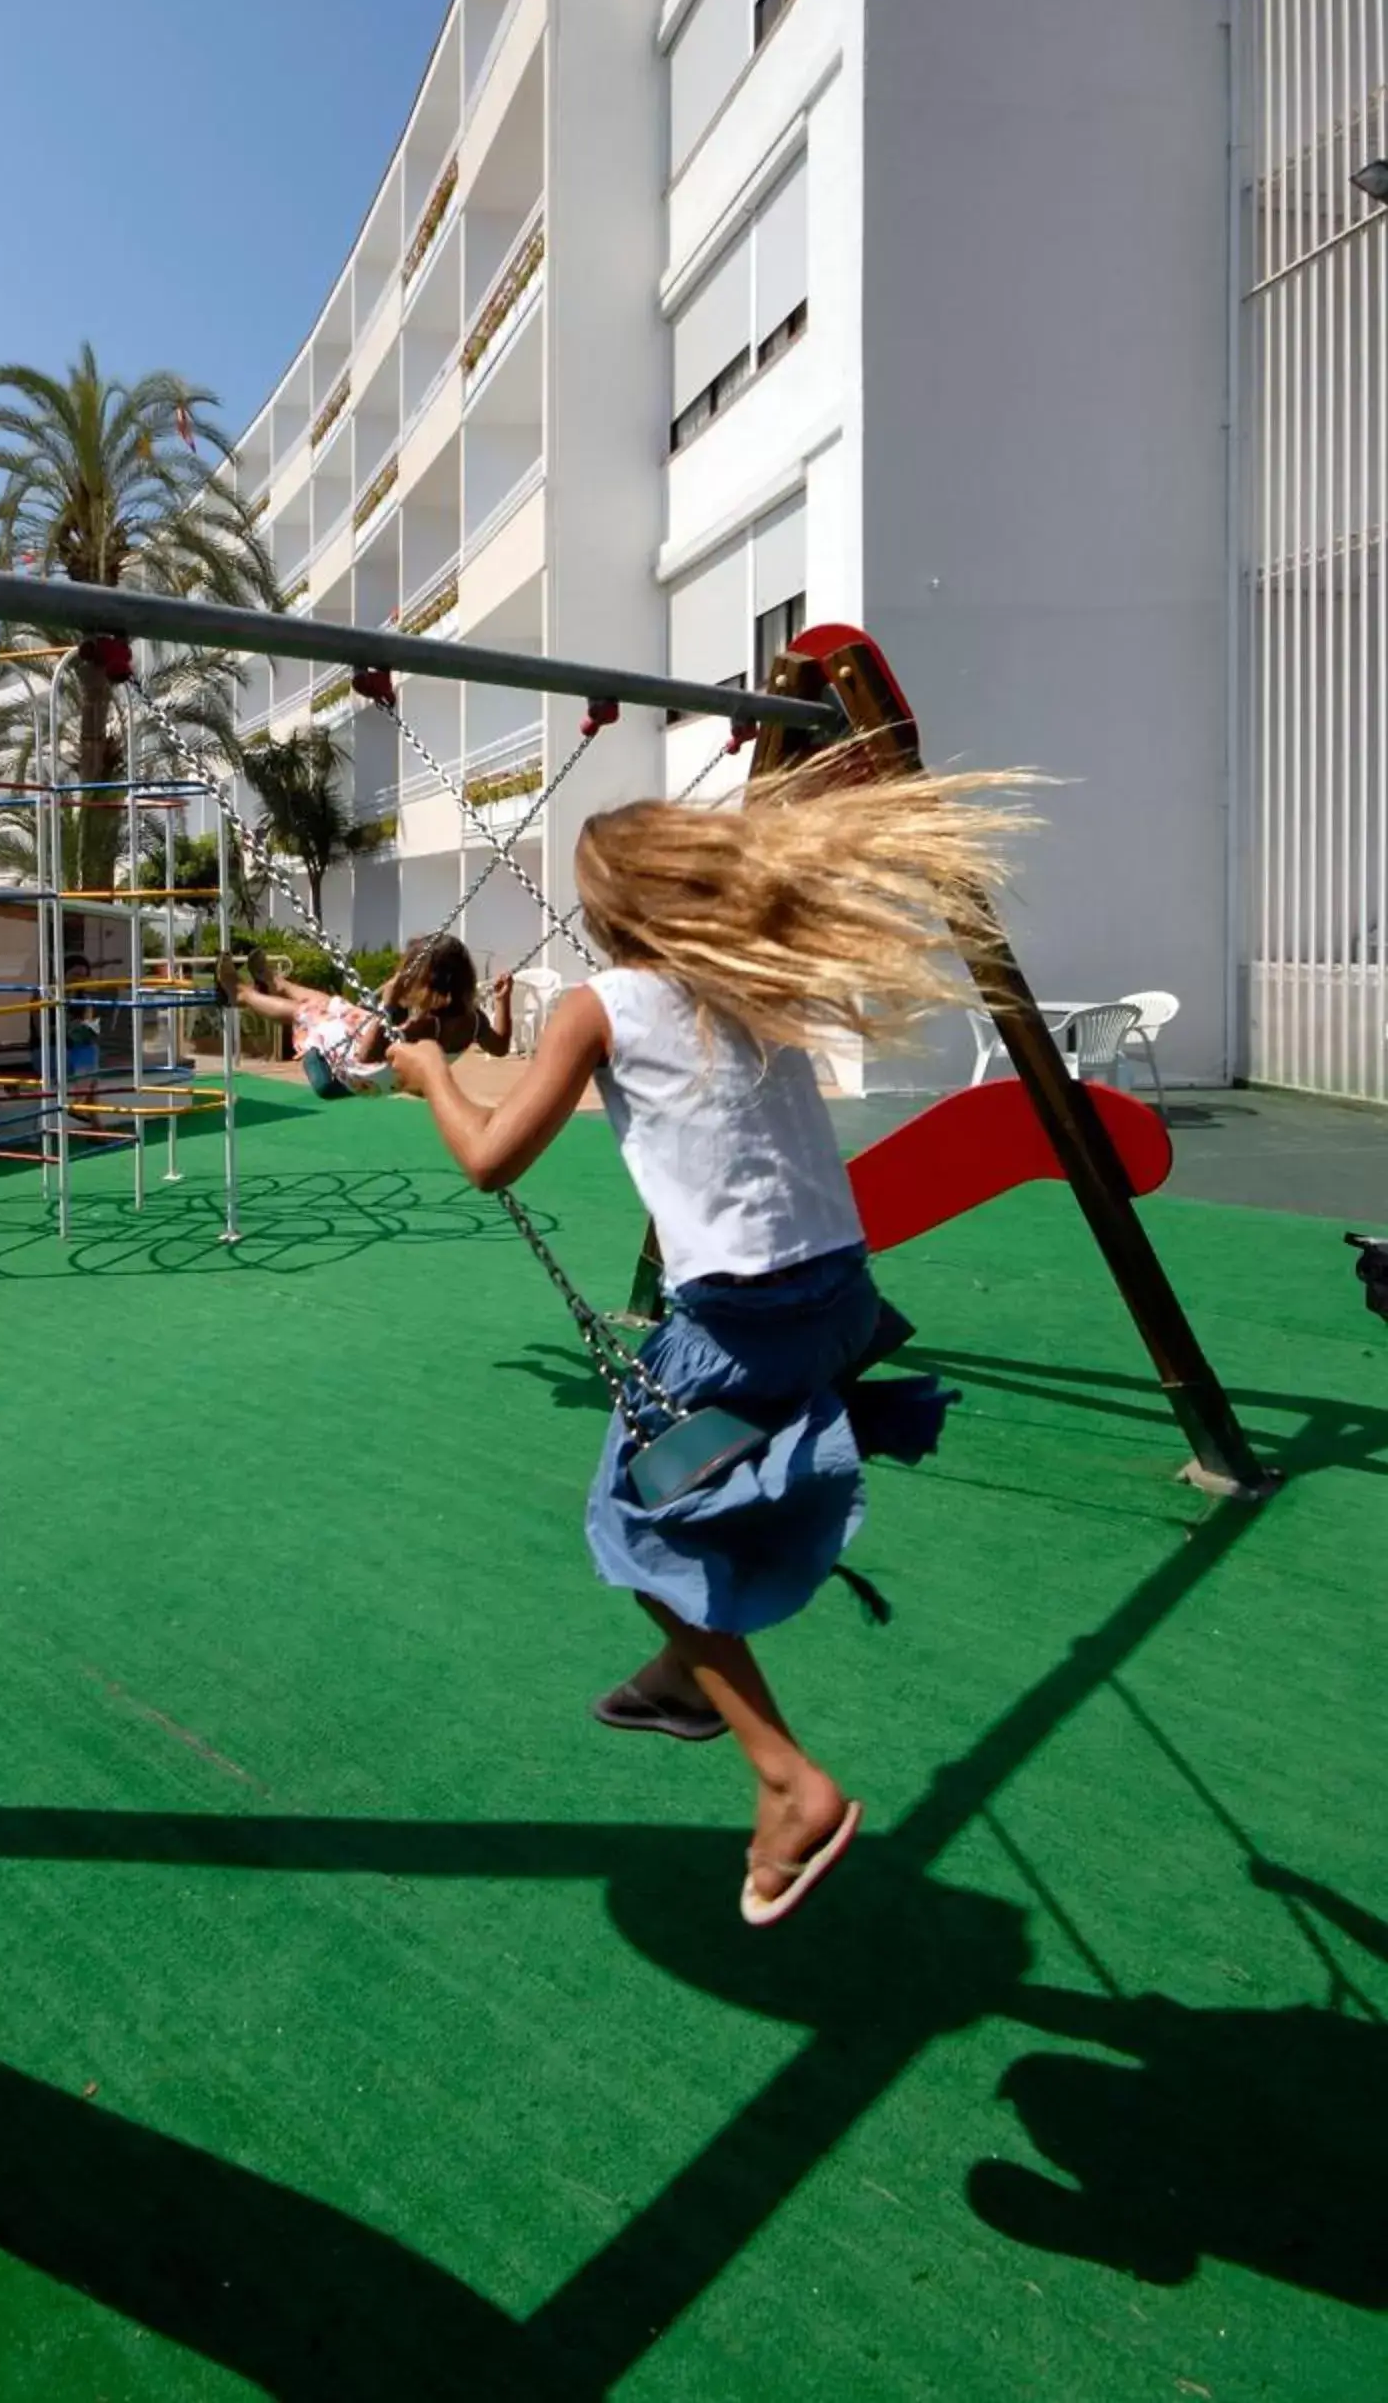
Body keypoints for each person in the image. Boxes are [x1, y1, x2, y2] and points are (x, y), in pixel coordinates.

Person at [390, 749, 1029, 1927]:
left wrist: (428, 1069)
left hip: (746, 1322)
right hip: (839, 1301)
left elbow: (488, 1159)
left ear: (609, 910)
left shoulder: (599, 1005)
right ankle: (684, 1678)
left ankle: (787, 1782)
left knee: (633, 1520)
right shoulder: (751, 983)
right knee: (696, 1489)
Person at [219, 936, 511, 1098]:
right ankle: (276, 984)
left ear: (427, 982)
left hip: (349, 1075)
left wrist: (389, 1004)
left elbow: (365, 1055)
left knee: (306, 1012)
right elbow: (500, 1047)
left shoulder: (426, 1026)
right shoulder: (474, 1020)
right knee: (335, 1004)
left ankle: (240, 993)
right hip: (378, 1073)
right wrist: (503, 1001)